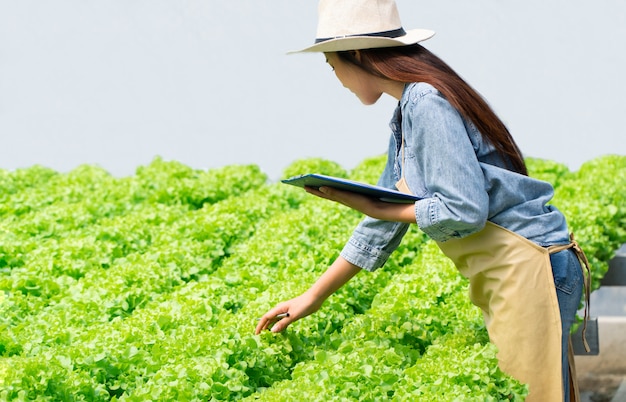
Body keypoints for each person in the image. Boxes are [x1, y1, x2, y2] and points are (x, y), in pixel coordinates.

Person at [255, 1, 590, 400]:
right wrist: (313, 296)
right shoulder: (407, 113)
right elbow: (381, 220)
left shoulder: (425, 102)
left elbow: (464, 209)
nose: (337, 78)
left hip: (531, 266)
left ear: (357, 54)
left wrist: (378, 207)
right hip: (519, 267)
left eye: (332, 65)